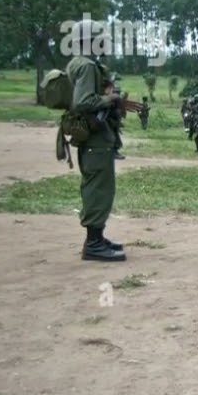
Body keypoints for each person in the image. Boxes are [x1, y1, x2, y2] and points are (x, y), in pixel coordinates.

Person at [66, 20, 126, 261]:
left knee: (98, 187)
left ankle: (97, 238)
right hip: (95, 138)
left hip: (92, 137)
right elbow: (83, 102)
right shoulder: (88, 66)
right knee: (99, 189)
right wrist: (109, 99)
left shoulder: (77, 63)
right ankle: (93, 243)